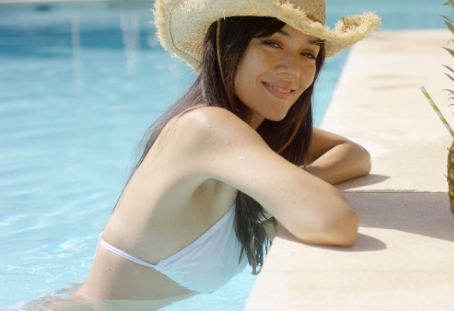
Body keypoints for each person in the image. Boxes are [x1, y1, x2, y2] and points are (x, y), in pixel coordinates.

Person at [17, 0, 380, 308]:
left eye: (308, 53)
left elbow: (353, 155)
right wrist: (284, 196)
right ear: (227, 44)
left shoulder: (253, 138)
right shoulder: (207, 128)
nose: (293, 69)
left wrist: (285, 187)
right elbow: (334, 222)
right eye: (272, 42)